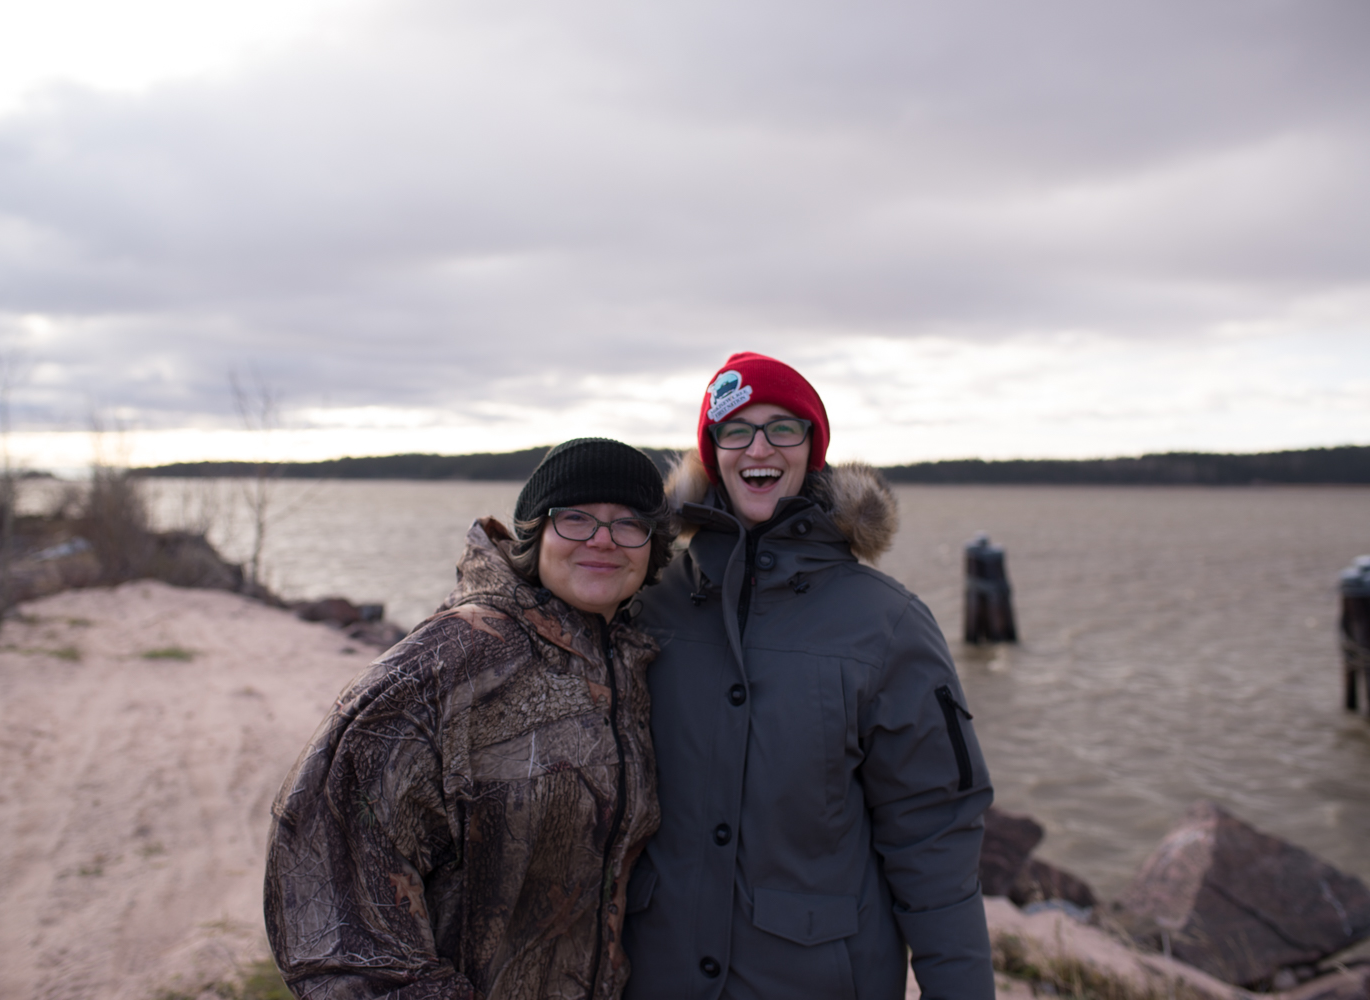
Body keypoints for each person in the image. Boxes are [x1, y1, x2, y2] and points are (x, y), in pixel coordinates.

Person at [622, 353, 995, 1000]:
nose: (758, 447)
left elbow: (934, 841)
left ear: (812, 447)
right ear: (711, 452)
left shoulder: (889, 624)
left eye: (783, 428)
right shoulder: (644, 603)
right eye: (736, 430)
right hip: (656, 976)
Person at [266, 438, 674, 1000]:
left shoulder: (629, 666)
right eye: (575, 518)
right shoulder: (448, 662)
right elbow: (331, 898)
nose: (602, 539)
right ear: (536, 533)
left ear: (655, 547)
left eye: (629, 523)